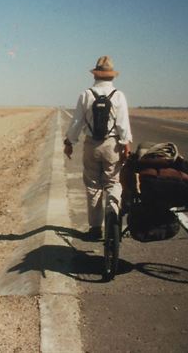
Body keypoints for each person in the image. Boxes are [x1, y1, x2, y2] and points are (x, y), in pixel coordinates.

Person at [63, 56, 133, 240]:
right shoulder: (118, 95)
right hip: (112, 145)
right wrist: (126, 145)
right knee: (113, 182)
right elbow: (123, 125)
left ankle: (95, 228)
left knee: (93, 186)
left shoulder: (86, 94)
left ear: (95, 75)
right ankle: (113, 216)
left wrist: (69, 142)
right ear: (112, 76)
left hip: (91, 145)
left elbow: (76, 123)